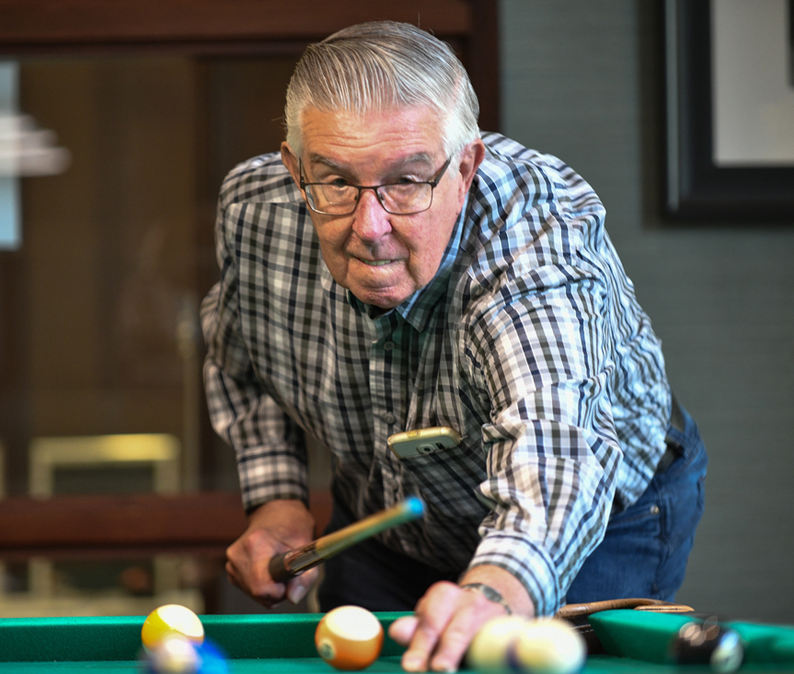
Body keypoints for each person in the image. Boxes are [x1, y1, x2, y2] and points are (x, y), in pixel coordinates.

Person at [201, 20, 707, 673]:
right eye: (334, 183)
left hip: (597, 514)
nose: (371, 227)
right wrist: (277, 495)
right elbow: (241, 356)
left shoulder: (533, 229)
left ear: (465, 167)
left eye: (407, 181)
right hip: (386, 515)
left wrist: (496, 590)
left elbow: (553, 438)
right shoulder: (256, 209)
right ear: (295, 170)